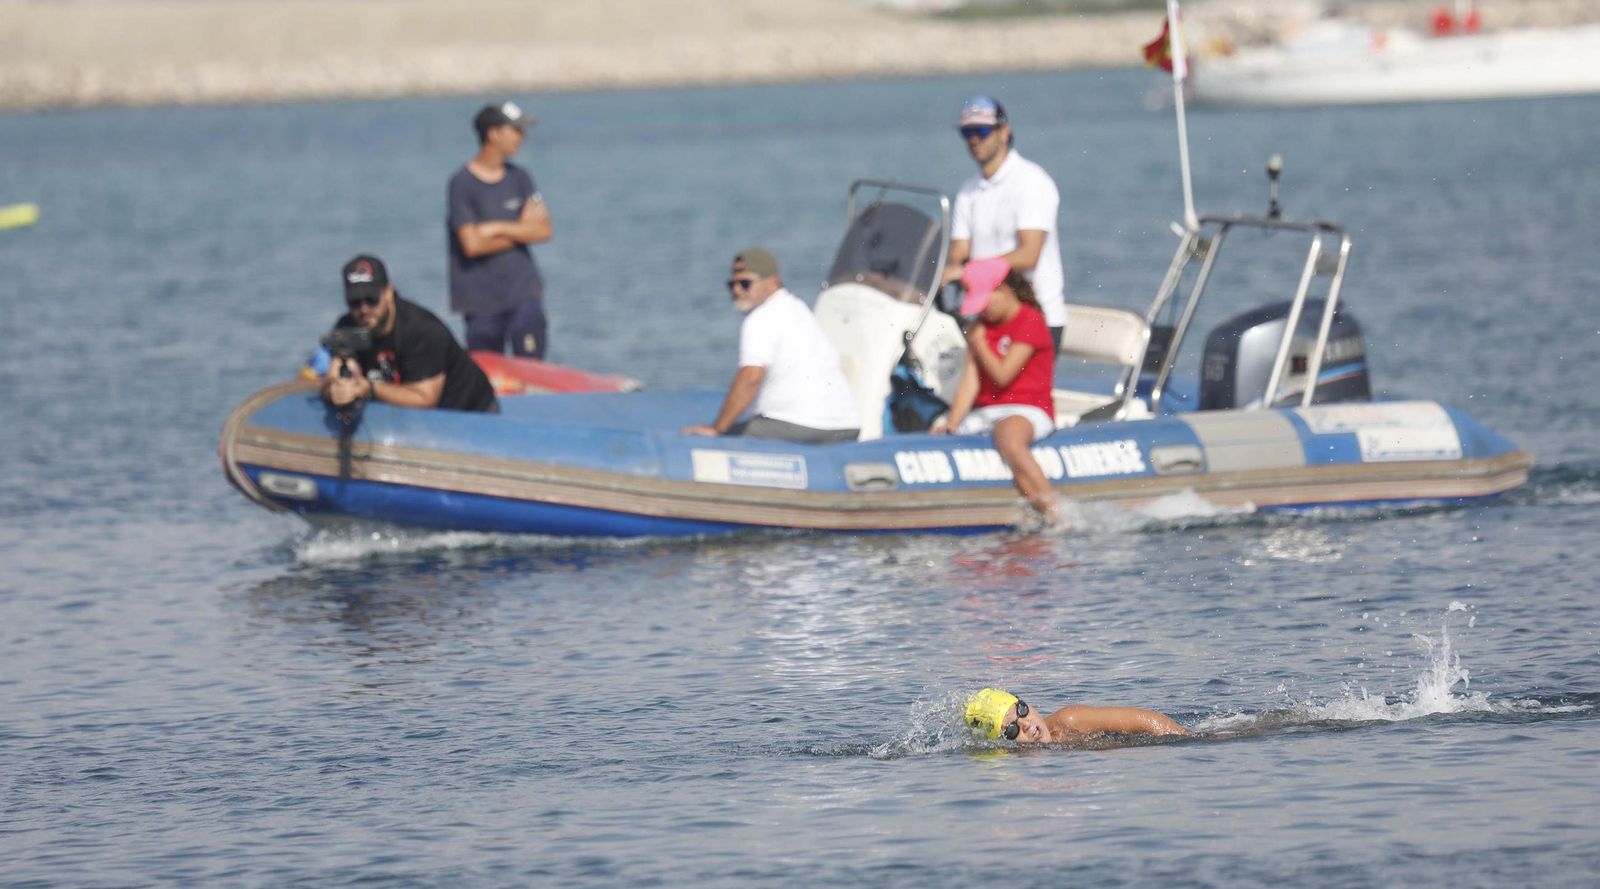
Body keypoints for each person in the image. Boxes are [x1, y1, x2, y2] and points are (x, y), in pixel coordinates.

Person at [684, 248, 860, 443]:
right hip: (847, 426)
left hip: (801, 426)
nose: (736, 290)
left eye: (745, 283)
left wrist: (717, 429)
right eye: (731, 284)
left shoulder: (761, 317)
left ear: (773, 282)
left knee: (722, 437)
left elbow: (751, 377)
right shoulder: (798, 309)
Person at [931, 257, 1057, 520]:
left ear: (1005, 290)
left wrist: (979, 344)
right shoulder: (979, 327)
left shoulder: (1030, 321)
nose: (982, 311)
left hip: (1028, 409)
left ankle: (1053, 509)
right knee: (938, 434)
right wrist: (953, 422)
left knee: (1008, 437)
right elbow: (971, 379)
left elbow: (1003, 375)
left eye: (984, 302)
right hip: (986, 412)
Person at [941, 95, 1067, 350]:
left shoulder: (1032, 181)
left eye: (982, 130)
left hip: (1034, 315)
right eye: (967, 132)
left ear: (1004, 132)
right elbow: (958, 255)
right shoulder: (968, 191)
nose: (974, 139)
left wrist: (968, 271)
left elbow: (1028, 255)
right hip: (985, 315)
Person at [322, 254, 499, 413]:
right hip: (407, 417)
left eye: (371, 299)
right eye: (355, 302)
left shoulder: (422, 330)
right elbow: (334, 375)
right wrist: (335, 390)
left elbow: (424, 399)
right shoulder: (347, 328)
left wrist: (368, 388)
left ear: (389, 293)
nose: (364, 309)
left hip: (470, 412)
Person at [447, 100, 553, 358]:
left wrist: (495, 228)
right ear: (493, 134)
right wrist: (521, 231)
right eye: (515, 130)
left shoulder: (521, 178)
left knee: (532, 368)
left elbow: (543, 230)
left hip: (523, 293)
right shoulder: (462, 184)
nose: (522, 137)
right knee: (486, 375)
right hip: (480, 302)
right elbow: (472, 245)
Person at [964, 687, 1189, 744]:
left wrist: (1185, 738)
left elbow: (1145, 719)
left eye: (1022, 710)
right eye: (1011, 730)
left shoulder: (1069, 721)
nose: (1025, 724)